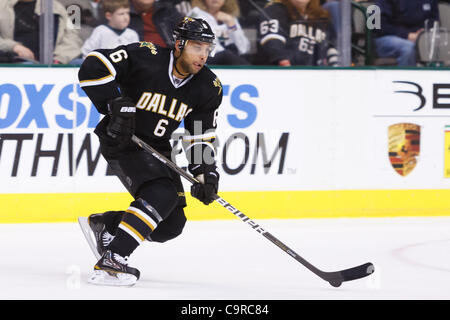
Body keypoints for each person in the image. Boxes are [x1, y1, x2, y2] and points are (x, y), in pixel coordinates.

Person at [78, 17, 222, 286]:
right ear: (179, 44)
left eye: (207, 49)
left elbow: (200, 133)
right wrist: (113, 102)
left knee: (170, 225)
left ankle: (106, 225)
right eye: (196, 47)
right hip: (121, 138)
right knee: (161, 193)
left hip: (157, 149)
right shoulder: (147, 55)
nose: (203, 56)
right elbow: (93, 64)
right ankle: (113, 261)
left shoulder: (208, 86)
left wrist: (205, 173)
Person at [256, 0, 339, 66]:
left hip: (316, 76)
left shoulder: (322, 17)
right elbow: (273, 43)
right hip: (281, 76)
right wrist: (289, 69)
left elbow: (331, 47)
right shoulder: (274, 10)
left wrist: (336, 71)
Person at [0, 0, 82, 64]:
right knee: (28, 66)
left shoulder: (56, 8)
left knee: (80, 63)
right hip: (14, 60)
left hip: (55, 60)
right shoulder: (2, 6)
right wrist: (14, 47)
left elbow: (73, 38)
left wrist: (58, 59)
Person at [374, 0, 440, 67]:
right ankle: (405, 77)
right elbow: (377, 25)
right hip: (387, 37)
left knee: (442, 43)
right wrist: (407, 35)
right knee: (408, 48)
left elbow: (434, 21)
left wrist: (423, 32)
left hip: (422, 37)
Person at [188, 0, 250, 65]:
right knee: (226, 55)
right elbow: (212, 50)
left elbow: (244, 48)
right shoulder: (196, 15)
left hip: (229, 60)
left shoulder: (229, 17)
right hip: (204, 60)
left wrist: (231, 23)